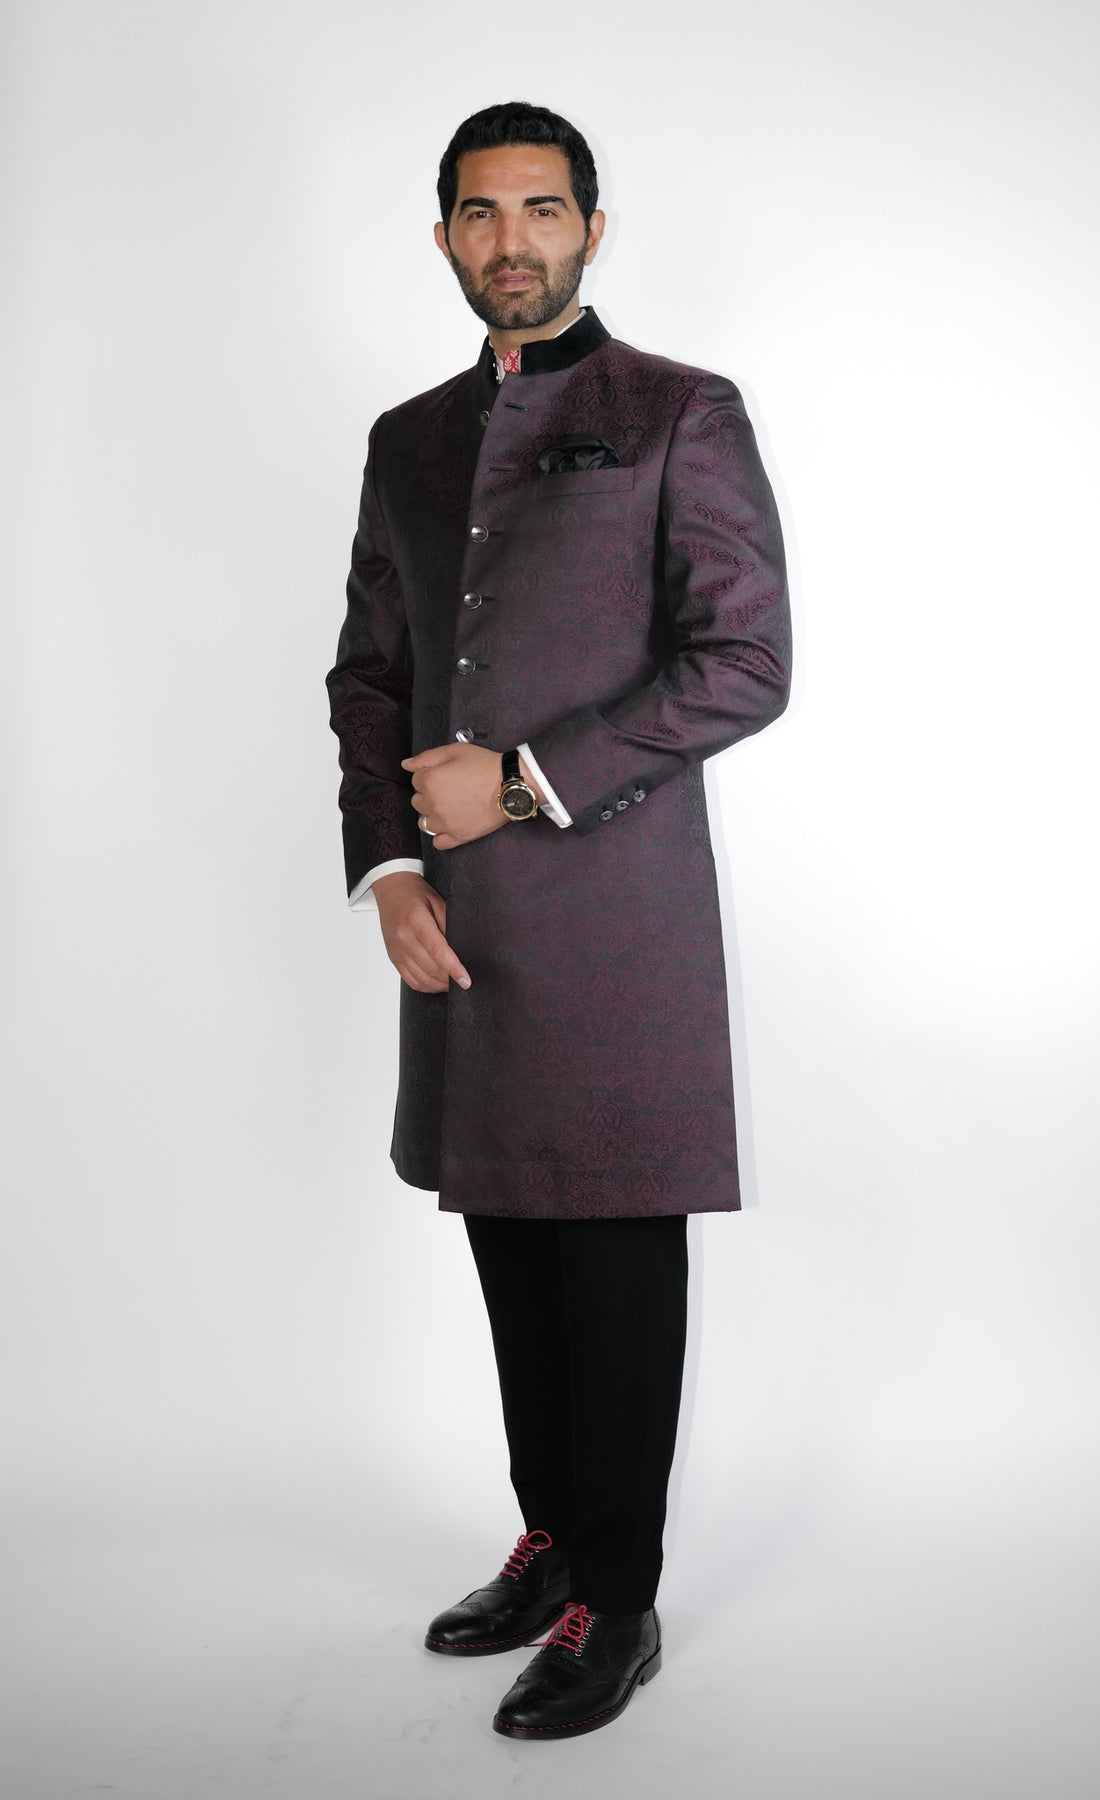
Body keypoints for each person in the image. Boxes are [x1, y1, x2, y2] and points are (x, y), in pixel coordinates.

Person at [326, 100, 791, 1740]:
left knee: (612, 1242)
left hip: (616, 917)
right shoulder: (408, 438)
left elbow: (746, 663)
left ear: (594, 227)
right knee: (509, 1232)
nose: (509, 240)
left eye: (540, 209)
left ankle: (621, 1594)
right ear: (443, 235)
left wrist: (522, 785)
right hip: (455, 926)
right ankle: (552, 1539)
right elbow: (369, 677)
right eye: (479, 212)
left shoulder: (678, 412)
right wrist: (390, 870)